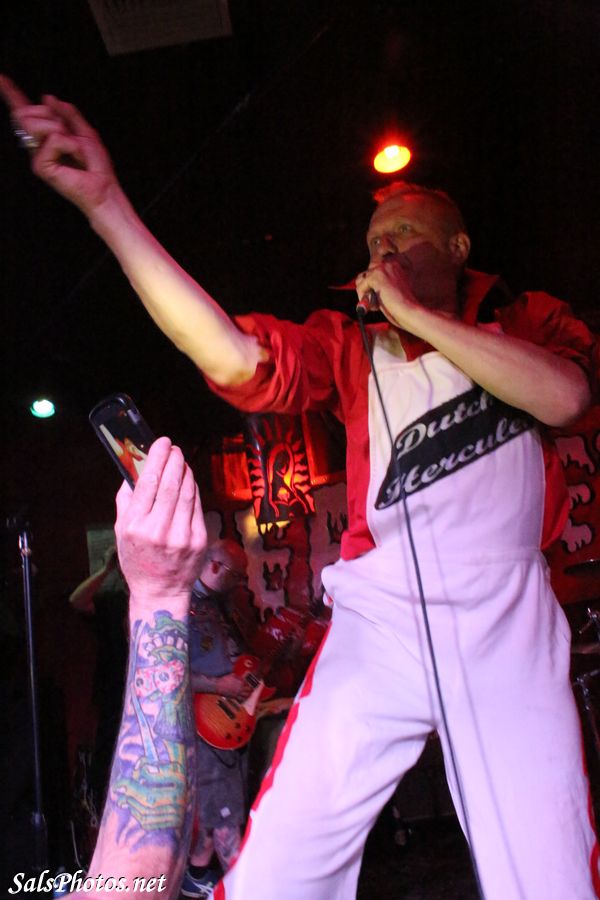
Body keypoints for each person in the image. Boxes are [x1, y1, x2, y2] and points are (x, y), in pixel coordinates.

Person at [1, 75, 598, 899]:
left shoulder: (524, 320)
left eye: (405, 234)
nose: (383, 252)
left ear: (459, 246)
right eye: (374, 242)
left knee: (548, 868)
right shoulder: (350, 348)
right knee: (279, 869)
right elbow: (226, 352)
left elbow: (565, 397)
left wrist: (418, 318)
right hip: (383, 616)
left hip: (509, 612)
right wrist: (107, 207)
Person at [182, 539, 252, 898]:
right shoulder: (180, 605)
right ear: (215, 567)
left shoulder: (219, 606)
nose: (239, 583)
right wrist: (218, 685)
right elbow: (168, 672)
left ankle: (196, 875)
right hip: (203, 724)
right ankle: (242, 889)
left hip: (226, 722)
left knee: (217, 809)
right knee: (224, 815)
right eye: (236, 575)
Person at [69, 545, 129, 810]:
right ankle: (102, 807)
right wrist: (107, 569)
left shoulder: (155, 599)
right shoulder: (113, 600)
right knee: (109, 750)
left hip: (149, 689)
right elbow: (77, 601)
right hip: (114, 689)